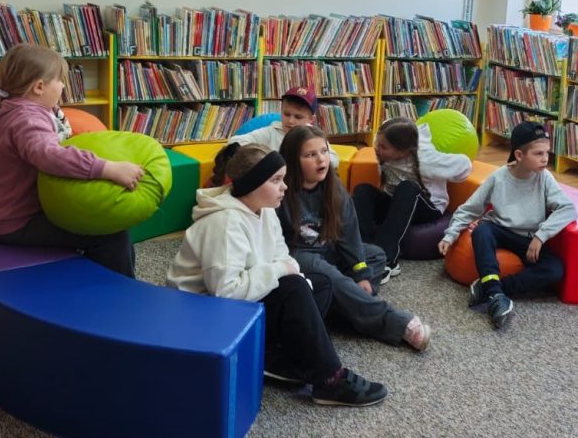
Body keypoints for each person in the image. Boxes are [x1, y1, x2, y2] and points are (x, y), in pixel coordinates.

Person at [166, 143, 387, 408]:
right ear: (252, 185)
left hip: (238, 299)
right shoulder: (224, 223)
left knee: (320, 284)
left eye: (283, 179)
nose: (285, 187)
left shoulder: (265, 209)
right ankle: (329, 379)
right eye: (276, 180)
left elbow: (282, 254)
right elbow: (226, 292)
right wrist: (284, 272)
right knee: (294, 287)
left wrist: (291, 274)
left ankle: (276, 359)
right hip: (202, 317)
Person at [0, 44, 143, 277]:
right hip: (17, 223)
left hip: (6, 215)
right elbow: (50, 156)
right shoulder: (27, 119)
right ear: (39, 87)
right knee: (112, 233)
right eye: (60, 81)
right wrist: (108, 168)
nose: (63, 87)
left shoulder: (11, 107)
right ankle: (119, 291)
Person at [278, 125, 431, 351]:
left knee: (376, 255)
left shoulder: (333, 186)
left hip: (327, 251)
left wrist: (360, 273)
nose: (321, 159)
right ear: (293, 160)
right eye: (310, 155)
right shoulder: (281, 191)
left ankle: (345, 306)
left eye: (324, 151)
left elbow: (349, 235)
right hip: (297, 257)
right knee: (329, 275)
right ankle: (395, 323)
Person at [438, 121, 576, 329]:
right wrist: (450, 234)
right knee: (482, 231)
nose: (545, 159)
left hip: (528, 238)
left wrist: (541, 236)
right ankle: (495, 293)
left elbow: (568, 208)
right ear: (519, 155)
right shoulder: (498, 177)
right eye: (538, 153)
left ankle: (491, 288)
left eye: (547, 153)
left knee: (555, 269)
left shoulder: (545, 178)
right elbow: (470, 209)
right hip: (500, 230)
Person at [353, 117, 472, 282]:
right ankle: (362, 251)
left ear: (403, 152)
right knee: (362, 190)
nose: (377, 149)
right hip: (395, 202)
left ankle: (386, 259)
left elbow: (465, 165)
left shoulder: (426, 160)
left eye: (383, 147)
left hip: (427, 208)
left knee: (407, 187)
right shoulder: (386, 142)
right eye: (377, 144)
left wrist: (446, 171)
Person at [207, 85, 339, 186]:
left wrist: (307, 163)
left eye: (298, 117)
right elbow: (235, 142)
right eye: (286, 114)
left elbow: (333, 158)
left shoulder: (314, 136)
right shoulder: (271, 132)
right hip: (274, 186)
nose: (290, 121)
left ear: (311, 119)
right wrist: (263, 159)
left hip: (302, 185)